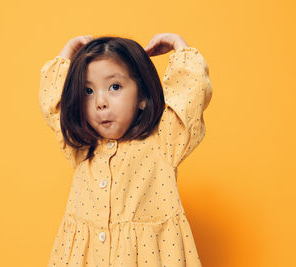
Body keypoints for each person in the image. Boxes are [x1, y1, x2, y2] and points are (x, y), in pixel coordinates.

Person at [38, 33, 212, 267]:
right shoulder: (81, 146)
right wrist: (66, 55)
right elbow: (53, 103)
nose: (100, 102)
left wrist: (180, 48)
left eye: (114, 87)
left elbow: (191, 97)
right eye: (88, 91)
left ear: (142, 96)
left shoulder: (163, 141)